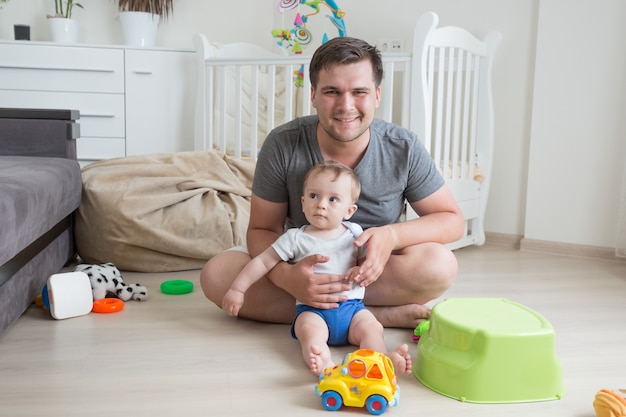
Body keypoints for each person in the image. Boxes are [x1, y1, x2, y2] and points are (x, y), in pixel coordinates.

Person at [200, 36, 464, 330]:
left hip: (371, 272)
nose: (346, 105)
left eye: (359, 92)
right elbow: (263, 229)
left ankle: (333, 314)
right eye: (332, 92)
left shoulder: (403, 146)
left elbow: (451, 220)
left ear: (377, 95)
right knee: (217, 275)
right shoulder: (283, 143)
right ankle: (374, 316)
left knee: (440, 264)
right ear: (313, 95)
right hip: (301, 265)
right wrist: (288, 278)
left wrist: (391, 236)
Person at [222, 161, 412, 376]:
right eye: (314, 196)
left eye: (333, 199)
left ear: (349, 210)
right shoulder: (295, 238)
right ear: (303, 203)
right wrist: (237, 289)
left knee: (371, 328)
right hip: (313, 311)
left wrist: (359, 271)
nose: (321, 204)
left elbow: (368, 262)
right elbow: (263, 261)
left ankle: (380, 360)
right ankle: (323, 361)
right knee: (309, 332)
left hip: (353, 309)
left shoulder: (354, 233)